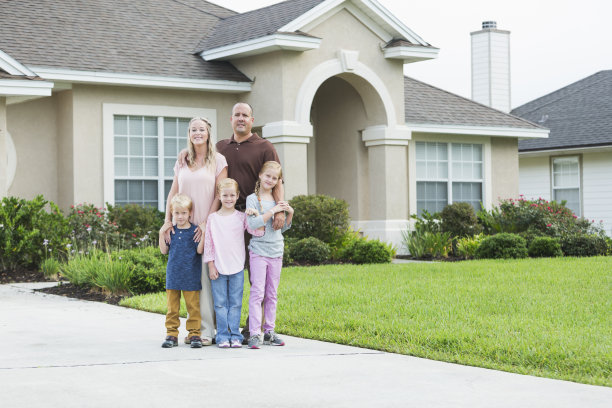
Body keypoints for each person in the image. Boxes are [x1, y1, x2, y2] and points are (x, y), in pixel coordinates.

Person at [163, 117, 227, 346]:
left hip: (205, 227)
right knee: (186, 281)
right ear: (189, 134)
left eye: (201, 129)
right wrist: (167, 221)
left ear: (208, 133)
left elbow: (220, 193)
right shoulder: (183, 160)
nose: (197, 133)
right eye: (193, 130)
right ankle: (188, 331)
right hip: (182, 227)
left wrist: (206, 222)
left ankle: (205, 331)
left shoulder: (218, 160)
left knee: (203, 281)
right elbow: (173, 192)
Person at [203, 178, 262, 348]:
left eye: (232, 195)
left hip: (237, 267)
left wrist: (256, 216)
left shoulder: (241, 217)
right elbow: (209, 244)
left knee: (235, 303)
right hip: (218, 268)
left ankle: (235, 335)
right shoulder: (213, 219)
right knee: (220, 303)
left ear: (237, 196)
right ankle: (222, 335)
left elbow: (256, 232)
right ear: (219, 196)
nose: (228, 199)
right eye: (225, 195)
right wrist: (211, 265)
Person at [245, 161, 294, 349]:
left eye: (274, 178)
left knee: (272, 294)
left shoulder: (278, 200)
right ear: (260, 175)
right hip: (258, 252)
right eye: (267, 176)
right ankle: (254, 333)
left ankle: (269, 331)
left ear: (278, 181)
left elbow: (283, 228)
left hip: (276, 251)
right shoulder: (253, 199)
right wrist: (272, 211)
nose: (270, 180)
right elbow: (253, 224)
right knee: (257, 293)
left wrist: (290, 213)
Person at [159, 194, 205, 348]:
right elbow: (164, 251)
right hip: (173, 276)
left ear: (190, 213)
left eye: (184, 213)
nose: (180, 216)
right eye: (177, 213)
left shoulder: (194, 231)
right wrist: (161, 233)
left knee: (193, 308)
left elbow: (199, 251)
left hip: (191, 276)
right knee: (172, 308)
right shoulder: (170, 231)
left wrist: (203, 233)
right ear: (172, 213)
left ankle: (194, 334)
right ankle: (171, 334)